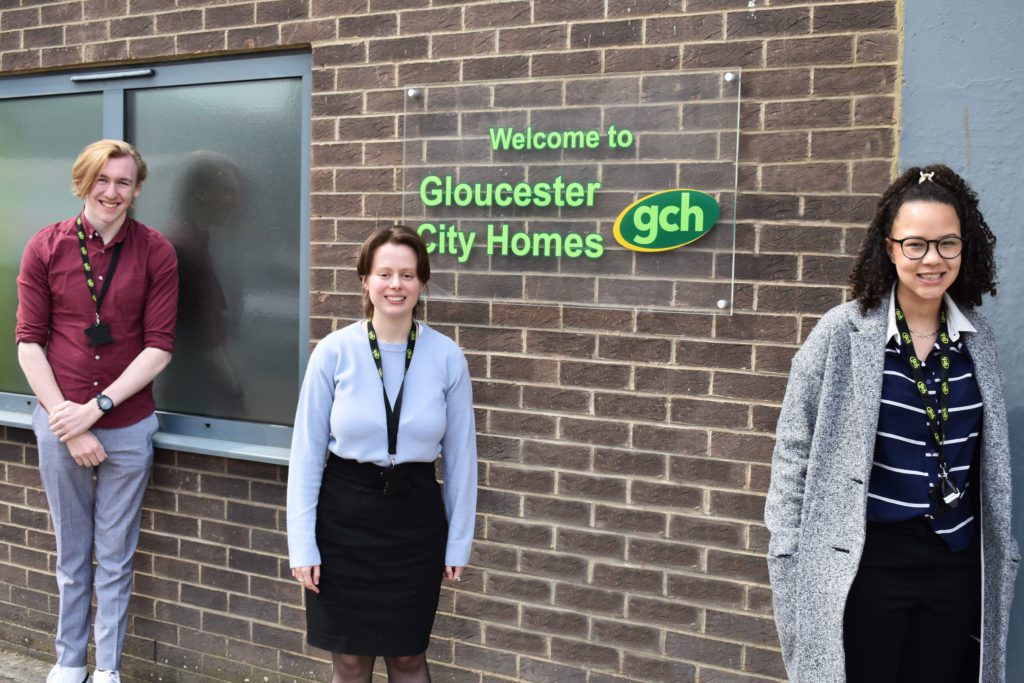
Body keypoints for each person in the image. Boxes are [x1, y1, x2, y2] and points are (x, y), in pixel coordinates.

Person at [765, 165, 1019, 682]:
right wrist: (787, 552)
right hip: (865, 563)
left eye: (948, 243)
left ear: (965, 247)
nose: (933, 259)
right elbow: (792, 449)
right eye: (916, 244)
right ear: (889, 247)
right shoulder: (842, 332)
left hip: (954, 563)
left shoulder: (977, 340)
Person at [16, 140, 178, 683]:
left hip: (127, 427)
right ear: (83, 182)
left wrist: (99, 408)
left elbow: (158, 346)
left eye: (124, 182)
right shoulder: (46, 247)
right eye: (103, 180)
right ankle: (68, 662)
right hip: (59, 423)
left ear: (136, 189)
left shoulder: (156, 251)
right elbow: (28, 343)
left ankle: (106, 669)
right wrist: (66, 416)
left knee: (115, 557)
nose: (112, 192)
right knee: (71, 555)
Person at [287, 225, 477, 683]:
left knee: (408, 657)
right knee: (349, 659)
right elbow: (307, 454)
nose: (396, 285)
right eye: (385, 273)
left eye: (408, 275)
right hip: (344, 518)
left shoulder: (446, 356)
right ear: (366, 281)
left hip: (414, 519)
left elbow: (461, 458)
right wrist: (302, 543)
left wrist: (459, 540)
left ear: (422, 283)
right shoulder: (335, 352)